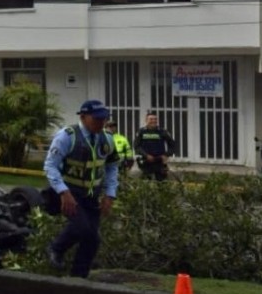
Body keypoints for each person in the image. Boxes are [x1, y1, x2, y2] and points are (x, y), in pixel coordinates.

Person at [43, 99, 120, 278]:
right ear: (83, 117)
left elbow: (112, 167)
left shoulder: (107, 139)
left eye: (103, 119)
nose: (101, 123)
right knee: (81, 228)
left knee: (92, 239)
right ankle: (55, 248)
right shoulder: (67, 136)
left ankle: (79, 278)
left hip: (91, 196)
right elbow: (50, 166)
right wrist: (63, 192)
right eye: (96, 119)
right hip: (69, 193)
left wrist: (110, 194)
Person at [134, 113, 176, 181]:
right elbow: (137, 146)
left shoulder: (162, 131)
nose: (153, 121)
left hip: (159, 161)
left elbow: (172, 145)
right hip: (146, 161)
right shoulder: (141, 132)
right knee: (145, 182)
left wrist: (166, 155)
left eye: (155, 119)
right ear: (146, 120)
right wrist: (146, 155)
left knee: (162, 183)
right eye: (151, 119)